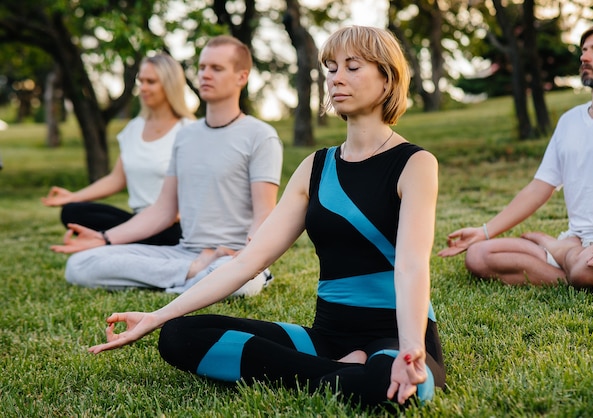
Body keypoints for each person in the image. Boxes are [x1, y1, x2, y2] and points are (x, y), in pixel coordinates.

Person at [87, 26, 445, 409]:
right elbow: (249, 260)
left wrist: (410, 351)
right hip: (325, 338)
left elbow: (410, 266)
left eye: (352, 67)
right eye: (330, 67)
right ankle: (338, 371)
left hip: (396, 339)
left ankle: (349, 371)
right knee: (180, 336)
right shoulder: (315, 167)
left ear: (388, 79)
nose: (336, 78)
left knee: (386, 384)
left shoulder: (415, 164)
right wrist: (158, 316)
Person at [51, 35, 283, 297]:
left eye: (216, 68)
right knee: (79, 265)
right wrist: (104, 239)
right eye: (202, 67)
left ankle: (201, 278)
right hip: (183, 253)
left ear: (242, 77)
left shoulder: (260, 135)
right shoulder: (185, 136)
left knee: (240, 283)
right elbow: (163, 210)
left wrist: (249, 258)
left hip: (233, 256)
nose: (205, 74)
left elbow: (265, 214)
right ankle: (194, 275)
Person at [439, 22, 593, 289]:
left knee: (590, 271)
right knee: (479, 256)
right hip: (577, 240)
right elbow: (540, 187)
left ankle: (558, 252)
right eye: (584, 50)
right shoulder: (569, 121)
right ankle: (569, 261)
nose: (585, 57)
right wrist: (484, 231)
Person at [42, 53, 195, 246]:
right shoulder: (134, 128)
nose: (143, 88)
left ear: (169, 85)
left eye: (151, 82)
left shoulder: (188, 131)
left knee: (157, 229)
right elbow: (116, 179)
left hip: (173, 224)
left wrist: (168, 216)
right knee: (72, 211)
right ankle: (127, 237)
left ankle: (119, 239)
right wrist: (73, 196)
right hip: (138, 220)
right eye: (141, 81)